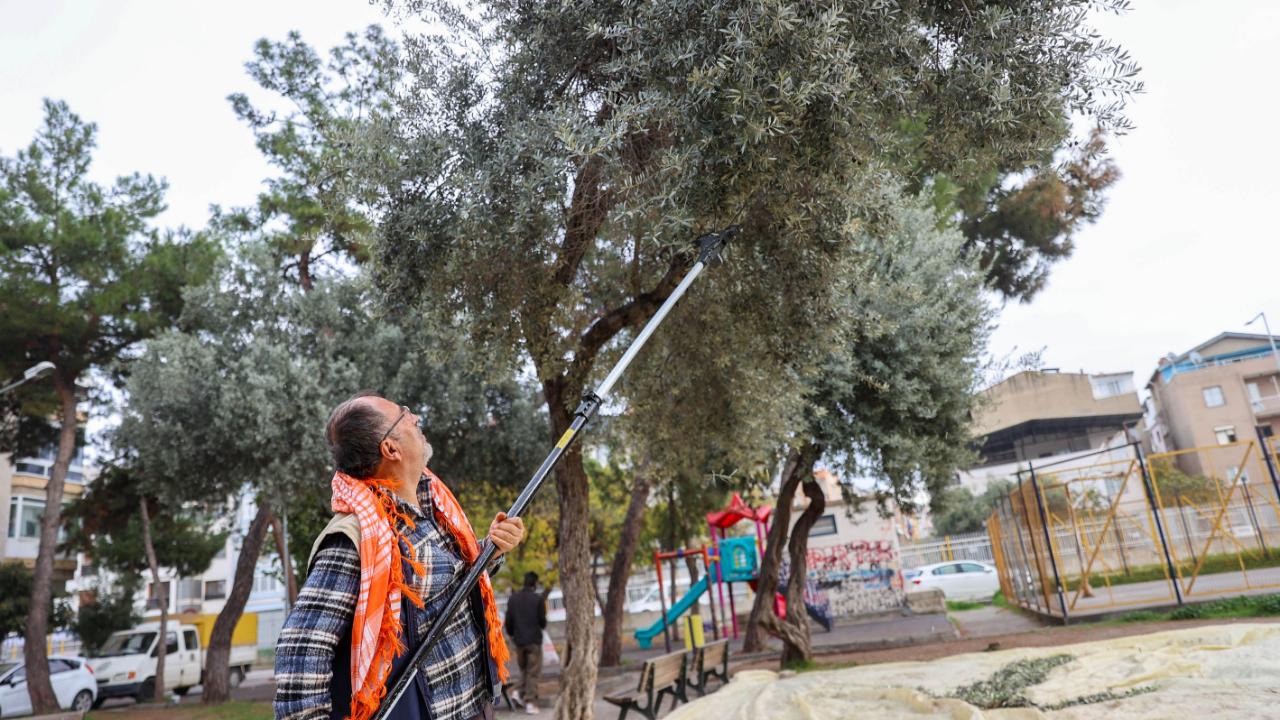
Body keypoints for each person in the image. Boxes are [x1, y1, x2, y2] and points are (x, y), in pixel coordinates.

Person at [275, 393, 527, 720]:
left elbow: (445, 588)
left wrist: (491, 552)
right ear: (391, 449)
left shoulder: (435, 508)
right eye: (404, 415)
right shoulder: (357, 539)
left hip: (475, 707)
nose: (415, 418)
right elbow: (301, 650)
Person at [503, 572, 548, 715]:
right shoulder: (538, 599)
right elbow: (542, 621)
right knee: (533, 672)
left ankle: (517, 692)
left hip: (519, 640)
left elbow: (508, 620)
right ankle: (530, 702)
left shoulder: (513, 599)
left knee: (525, 670)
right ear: (535, 584)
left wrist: (511, 634)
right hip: (534, 640)